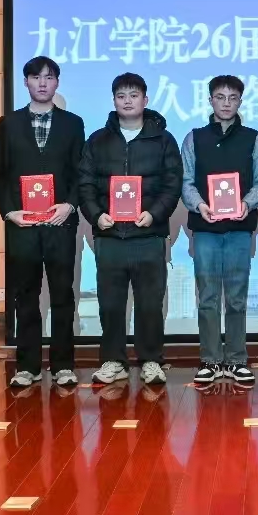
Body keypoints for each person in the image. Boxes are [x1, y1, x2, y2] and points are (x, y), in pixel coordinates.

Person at [79, 72, 182, 387]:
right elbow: (85, 183)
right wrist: (96, 215)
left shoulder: (163, 140)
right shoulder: (98, 140)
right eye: (121, 95)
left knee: (150, 303)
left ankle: (151, 360)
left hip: (148, 235)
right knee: (110, 304)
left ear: (145, 100)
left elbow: (172, 184)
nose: (127, 101)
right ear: (113, 101)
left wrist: (154, 214)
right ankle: (113, 361)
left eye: (134, 95)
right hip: (110, 235)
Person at [0, 57, 86, 390]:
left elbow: (80, 172)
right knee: (26, 296)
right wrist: (9, 212)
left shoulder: (72, 124)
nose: (42, 83)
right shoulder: (9, 123)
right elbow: (0, 174)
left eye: (49, 77)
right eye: (36, 77)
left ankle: (63, 365)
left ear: (57, 82)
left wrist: (70, 205)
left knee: (62, 295)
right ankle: (27, 365)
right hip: (23, 225)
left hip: (60, 223)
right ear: (26, 82)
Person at [180, 75, 258, 386]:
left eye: (233, 98)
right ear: (210, 101)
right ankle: (209, 360)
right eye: (220, 97)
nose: (226, 103)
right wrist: (199, 205)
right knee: (207, 296)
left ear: (240, 102)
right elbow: (185, 181)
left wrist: (246, 203)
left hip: (239, 228)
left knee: (236, 296)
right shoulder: (194, 138)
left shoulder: (253, 138)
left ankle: (236, 360)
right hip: (205, 228)